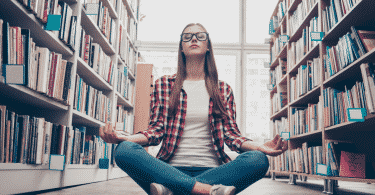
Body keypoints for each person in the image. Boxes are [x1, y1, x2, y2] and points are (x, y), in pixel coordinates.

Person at [99, 23, 288, 195]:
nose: (194, 39)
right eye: (187, 37)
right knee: (124, 151)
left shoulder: (223, 89)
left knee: (258, 160)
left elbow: (232, 137)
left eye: (200, 36)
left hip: (214, 171)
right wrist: (125, 138)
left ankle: (172, 190)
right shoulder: (164, 84)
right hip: (169, 169)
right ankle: (206, 190)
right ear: (181, 47)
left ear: (208, 46)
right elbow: (155, 132)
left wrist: (259, 146)